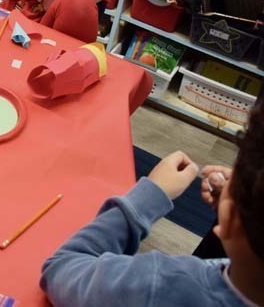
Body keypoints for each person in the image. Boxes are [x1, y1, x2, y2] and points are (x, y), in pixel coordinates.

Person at [40, 99, 264, 306]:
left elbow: (61, 269)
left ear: (229, 218)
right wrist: (244, 204)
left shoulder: (160, 285)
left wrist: (149, 197)